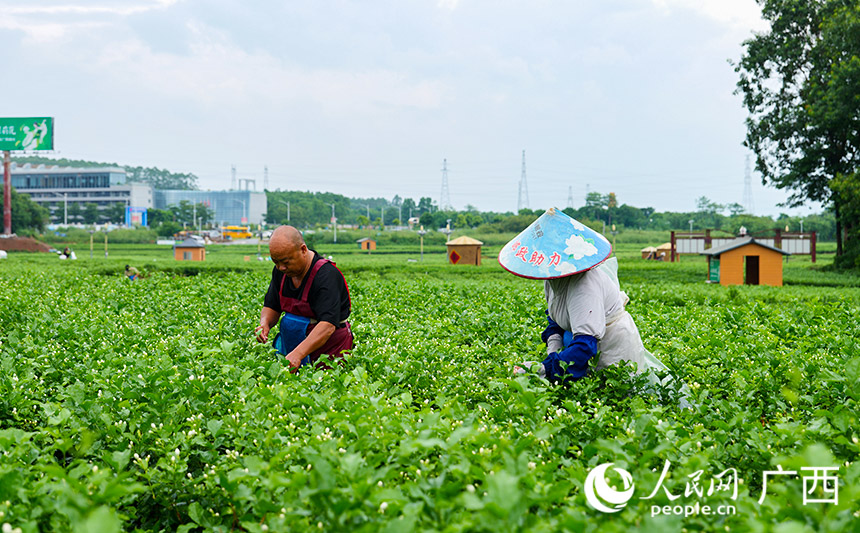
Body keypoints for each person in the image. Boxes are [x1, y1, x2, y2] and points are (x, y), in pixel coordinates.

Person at [500, 208, 691, 407]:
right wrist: (553, 353)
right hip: (584, 345)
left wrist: (544, 368)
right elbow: (554, 321)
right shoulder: (552, 279)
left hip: (611, 346)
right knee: (589, 397)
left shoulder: (583, 285)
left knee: (615, 401)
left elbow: (585, 346)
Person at [255, 225, 353, 372]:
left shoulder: (326, 275)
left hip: (328, 351)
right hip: (293, 348)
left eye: (286, 262)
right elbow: (272, 305)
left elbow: (327, 325)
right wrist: (265, 324)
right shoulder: (280, 272)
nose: (281, 267)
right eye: (276, 262)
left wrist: (298, 354)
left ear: (303, 250)